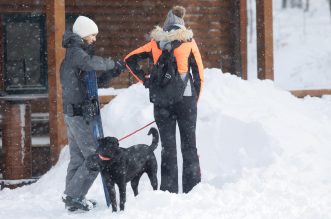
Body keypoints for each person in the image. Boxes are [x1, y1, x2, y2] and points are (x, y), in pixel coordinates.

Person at [125, 6, 204, 194]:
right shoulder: (189, 42)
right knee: (189, 146)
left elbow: (129, 59)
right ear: (182, 24)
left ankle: (168, 190)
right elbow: (199, 75)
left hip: (162, 103)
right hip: (186, 102)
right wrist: (194, 100)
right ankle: (192, 189)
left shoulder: (155, 43)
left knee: (168, 148)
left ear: (166, 24)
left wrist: (144, 80)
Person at [60, 15, 125, 212]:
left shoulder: (74, 53)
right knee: (94, 158)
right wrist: (112, 63)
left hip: (73, 114)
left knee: (78, 158)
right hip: (78, 115)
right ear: (84, 34)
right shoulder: (77, 53)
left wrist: (111, 74)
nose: (94, 39)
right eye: (93, 35)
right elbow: (90, 63)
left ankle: (74, 197)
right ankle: (73, 196)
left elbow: (89, 82)